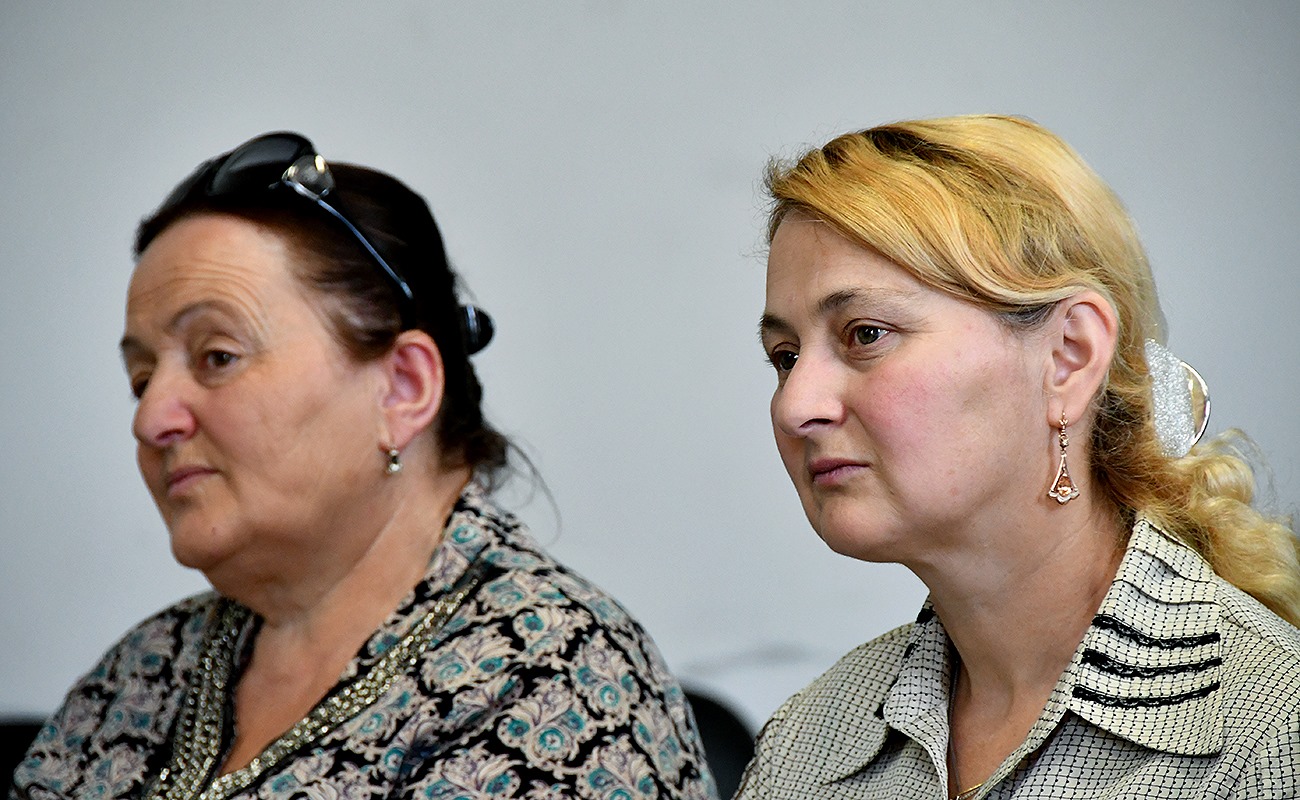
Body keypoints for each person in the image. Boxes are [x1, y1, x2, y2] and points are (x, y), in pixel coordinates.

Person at [12, 132, 716, 800]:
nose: (151, 418)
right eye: (141, 381)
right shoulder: (141, 671)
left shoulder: (554, 676)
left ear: (402, 389)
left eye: (217, 356)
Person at [738, 115, 1300, 799]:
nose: (796, 406)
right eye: (785, 357)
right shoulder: (806, 743)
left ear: (1069, 357)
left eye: (865, 334)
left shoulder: (1273, 737)